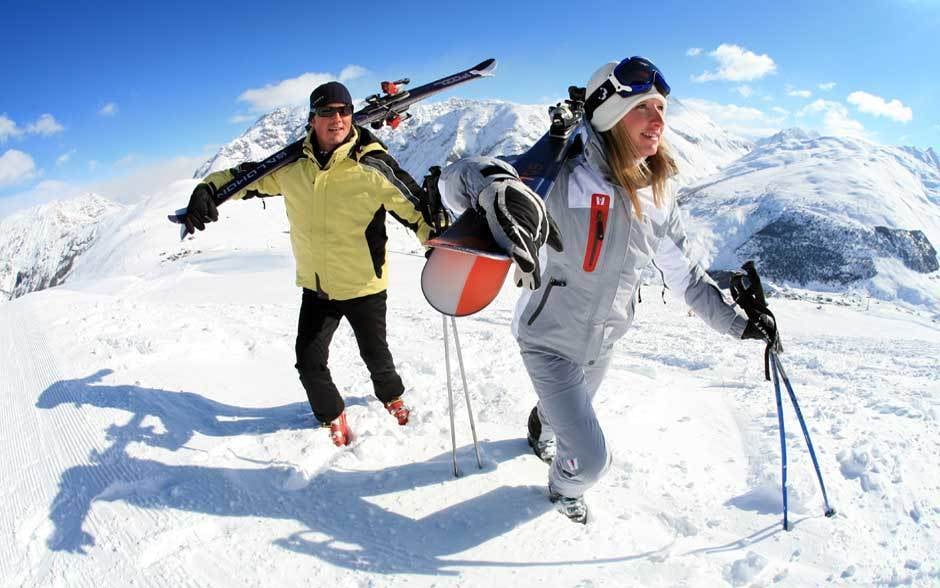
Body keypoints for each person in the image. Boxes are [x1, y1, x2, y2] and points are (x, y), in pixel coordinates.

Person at [439, 57, 775, 523]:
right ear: (610, 114)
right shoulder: (561, 173)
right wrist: (493, 187)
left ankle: (543, 425)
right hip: (547, 340)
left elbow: (687, 279)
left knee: (562, 420)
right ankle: (562, 489)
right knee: (591, 461)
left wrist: (742, 327)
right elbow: (456, 179)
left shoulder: (657, 195)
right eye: (643, 107)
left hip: (603, 343)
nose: (659, 120)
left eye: (661, 108)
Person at [181, 81, 439, 447]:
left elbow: (416, 209)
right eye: (327, 112)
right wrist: (208, 188)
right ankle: (331, 413)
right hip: (318, 286)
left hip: (364, 283)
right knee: (308, 361)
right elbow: (245, 178)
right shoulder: (291, 167)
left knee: (376, 354)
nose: (337, 118)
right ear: (312, 119)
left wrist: (438, 242)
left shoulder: (373, 165)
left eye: (344, 111)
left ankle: (391, 395)